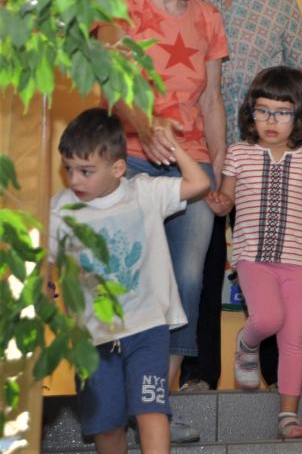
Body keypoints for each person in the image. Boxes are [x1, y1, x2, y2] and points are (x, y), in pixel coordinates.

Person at [181, 0, 302, 393]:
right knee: (202, 263)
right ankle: (200, 373)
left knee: (278, 258)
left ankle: (276, 373)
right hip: (202, 148)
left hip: (270, 154)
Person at [99, 0, 226, 443]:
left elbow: (213, 101)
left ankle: (160, 406)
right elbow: (109, 83)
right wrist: (144, 125)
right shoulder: (120, 7)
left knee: (186, 280)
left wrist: (220, 172)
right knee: (131, 276)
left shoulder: (209, 18)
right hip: (128, 157)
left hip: (192, 167)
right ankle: (117, 398)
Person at [48, 109, 210, 453]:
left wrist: (172, 144)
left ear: (118, 168)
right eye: (69, 169)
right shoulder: (61, 208)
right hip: (93, 336)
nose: (75, 179)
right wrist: (46, 282)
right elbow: (46, 258)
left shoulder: (144, 193)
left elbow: (199, 183)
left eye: (86, 171)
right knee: (107, 426)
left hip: (146, 329)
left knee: (152, 410)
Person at [203, 67, 302, 438]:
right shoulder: (238, 154)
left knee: (294, 336)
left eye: (282, 113)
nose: (271, 120)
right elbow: (227, 198)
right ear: (250, 112)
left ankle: (288, 415)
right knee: (267, 318)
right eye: (263, 110)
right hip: (253, 258)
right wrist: (219, 203)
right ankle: (246, 342)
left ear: (299, 116)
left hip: (299, 264)